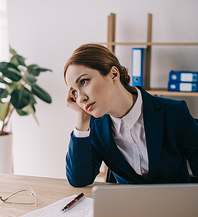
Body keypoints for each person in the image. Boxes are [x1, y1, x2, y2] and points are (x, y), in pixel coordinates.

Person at [64, 43, 198, 187]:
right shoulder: (94, 128)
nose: (80, 98)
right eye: (74, 92)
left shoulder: (174, 112)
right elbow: (79, 180)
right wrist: (82, 119)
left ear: (113, 74)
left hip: (177, 206)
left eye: (83, 81)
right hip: (127, 207)